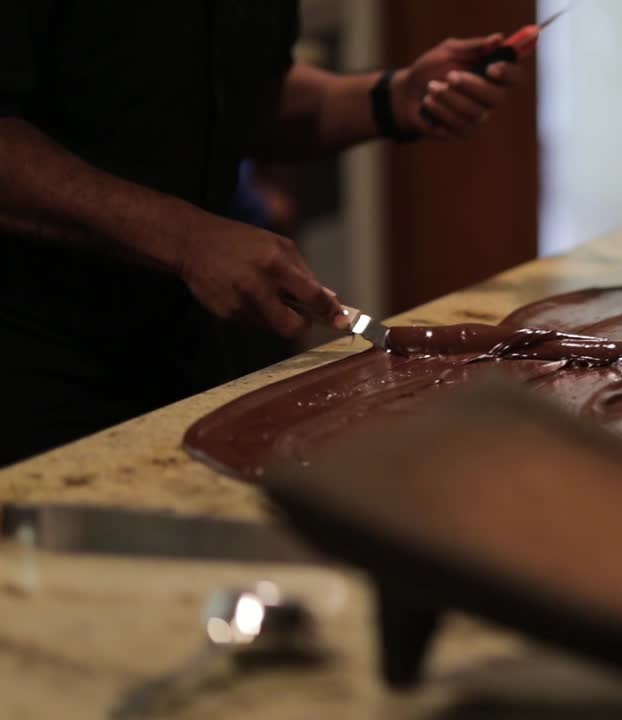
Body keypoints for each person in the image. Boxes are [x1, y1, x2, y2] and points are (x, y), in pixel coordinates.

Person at [0, 2, 529, 466]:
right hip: (32, 371)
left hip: (187, 351)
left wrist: (389, 97)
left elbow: (241, 97)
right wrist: (186, 238)